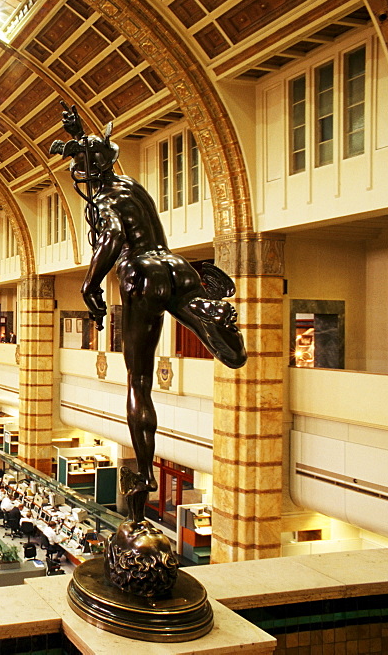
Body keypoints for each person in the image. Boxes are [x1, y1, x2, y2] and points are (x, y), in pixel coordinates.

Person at [51, 103, 247, 522]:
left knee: (139, 380)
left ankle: (142, 473)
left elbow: (114, 236)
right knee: (231, 354)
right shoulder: (132, 186)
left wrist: (90, 283)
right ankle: (209, 317)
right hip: (174, 266)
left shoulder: (105, 197)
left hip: (140, 272)